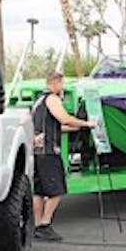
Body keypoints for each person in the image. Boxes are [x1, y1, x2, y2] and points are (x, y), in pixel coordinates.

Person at [30, 71, 95, 241]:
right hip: (50, 151)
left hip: (37, 151)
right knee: (56, 190)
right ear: (56, 82)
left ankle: (36, 226)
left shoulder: (39, 101)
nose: (63, 87)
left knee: (39, 191)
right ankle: (45, 224)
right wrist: (87, 123)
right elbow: (64, 118)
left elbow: (54, 125)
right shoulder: (52, 98)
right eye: (62, 84)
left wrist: (78, 127)